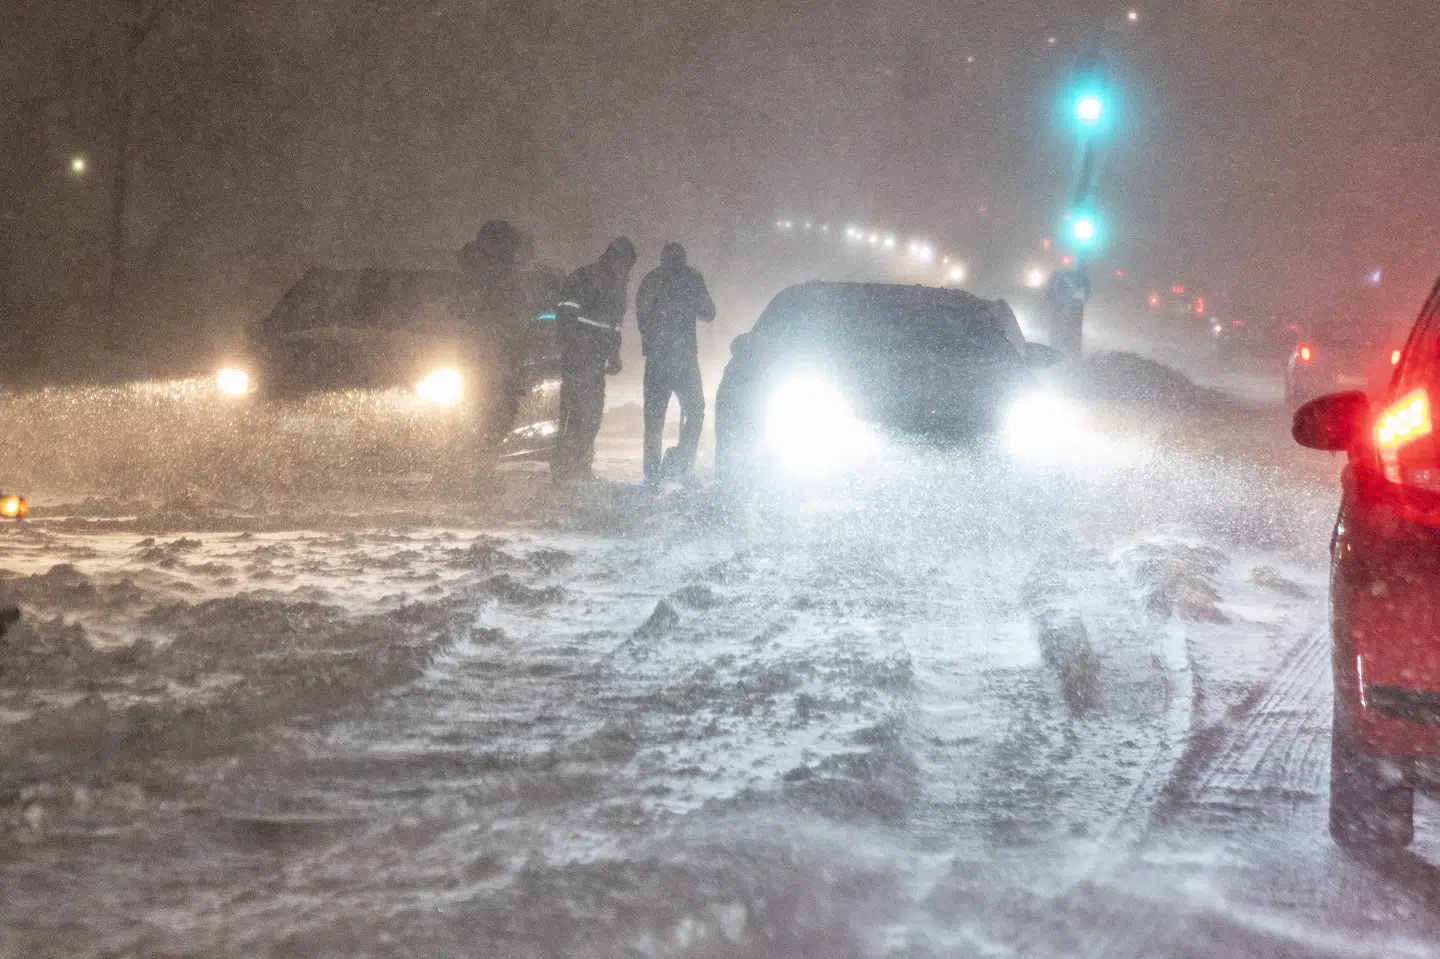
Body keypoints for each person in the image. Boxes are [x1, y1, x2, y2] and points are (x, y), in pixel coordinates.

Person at [551, 237, 637, 481]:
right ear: (614, 258)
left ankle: (578, 467)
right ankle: (565, 469)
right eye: (625, 264)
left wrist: (613, 354)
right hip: (579, 358)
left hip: (595, 360)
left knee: (591, 416)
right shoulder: (585, 278)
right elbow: (567, 314)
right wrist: (576, 346)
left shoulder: (616, 286)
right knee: (577, 415)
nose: (626, 270)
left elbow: (614, 326)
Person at [635, 242, 715, 484]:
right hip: (683, 359)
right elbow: (708, 313)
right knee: (695, 410)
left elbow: (642, 319)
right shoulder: (691, 278)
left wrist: (655, 341)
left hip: (658, 359)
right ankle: (681, 461)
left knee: (654, 418)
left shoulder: (651, 280)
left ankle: (652, 472)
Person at [457, 220, 536, 448]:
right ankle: (481, 452)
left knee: (490, 409)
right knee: (493, 409)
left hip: (491, 352)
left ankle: (480, 451)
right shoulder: (493, 274)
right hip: (491, 352)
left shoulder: (480, 270)